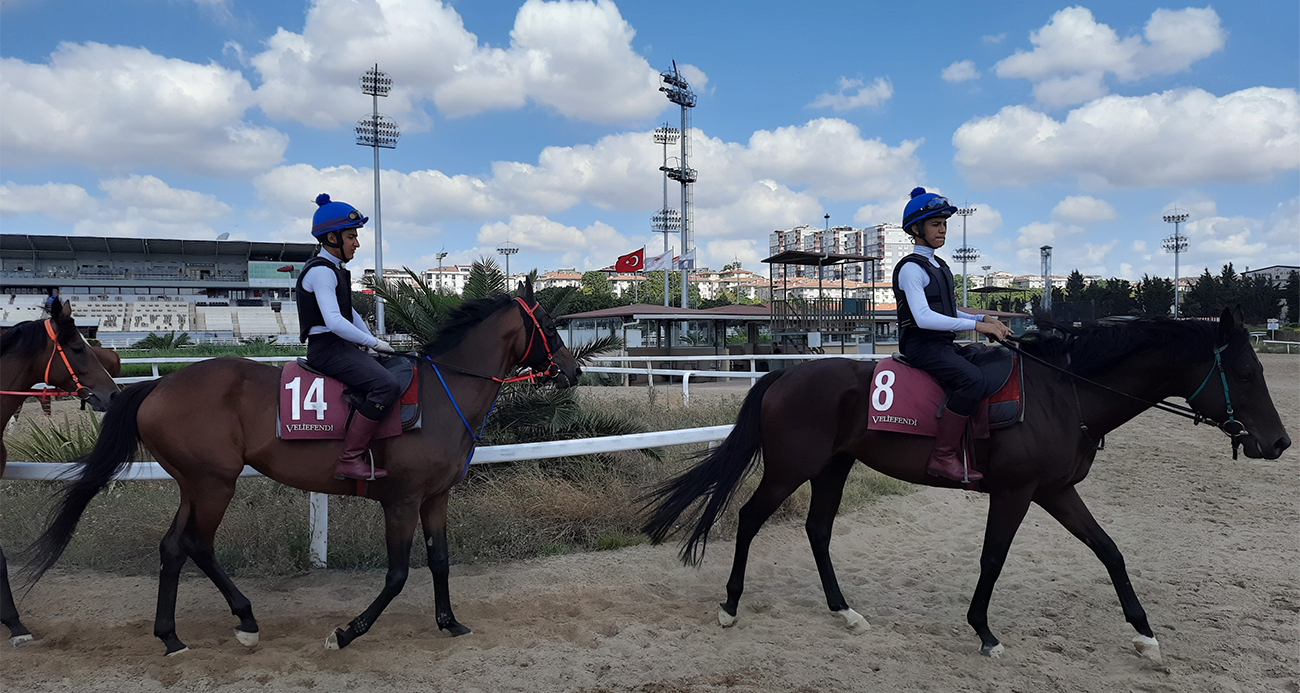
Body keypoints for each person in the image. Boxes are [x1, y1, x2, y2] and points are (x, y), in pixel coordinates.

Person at [892, 187, 1013, 482]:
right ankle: (943, 457)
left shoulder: (940, 266)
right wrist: (976, 327)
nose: (942, 230)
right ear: (916, 229)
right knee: (972, 380)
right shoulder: (911, 268)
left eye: (944, 224)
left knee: (989, 359)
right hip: (921, 346)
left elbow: (946, 311)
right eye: (935, 224)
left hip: (941, 344)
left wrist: (981, 317)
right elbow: (923, 318)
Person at [296, 193, 398, 480]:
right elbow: (335, 322)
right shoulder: (321, 272)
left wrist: (375, 343)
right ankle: (350, 459)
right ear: (331, 238)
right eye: (351, 236)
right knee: (387, 385)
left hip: (339, 346)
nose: (357, 243)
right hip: (327, 349)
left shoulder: (335, 270)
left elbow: (350, 313)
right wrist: (374, 343)